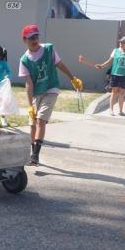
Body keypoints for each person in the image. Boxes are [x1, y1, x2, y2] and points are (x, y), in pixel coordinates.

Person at [18, 24, 83, 165]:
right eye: (31, 38)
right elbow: (28, 84)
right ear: (25, 40)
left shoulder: (48, 49)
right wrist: (29, 106)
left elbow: (60, 64)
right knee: (32, 123)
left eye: (36, 36)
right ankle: (32, 149)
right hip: (36, 93)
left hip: (51, 89)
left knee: (41, 120)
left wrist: (73, 78)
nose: (35, 40)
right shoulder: (24, 60)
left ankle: (35, 155)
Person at [92, 36, 125, 116]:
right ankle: (111, 110)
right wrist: (101, 66)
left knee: (122, 93)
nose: (121, 44)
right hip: (115, 74)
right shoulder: (115, 51)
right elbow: (109, 61)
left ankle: (120, 111)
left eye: (123, 43)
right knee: (113, 92)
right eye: (120, 42)